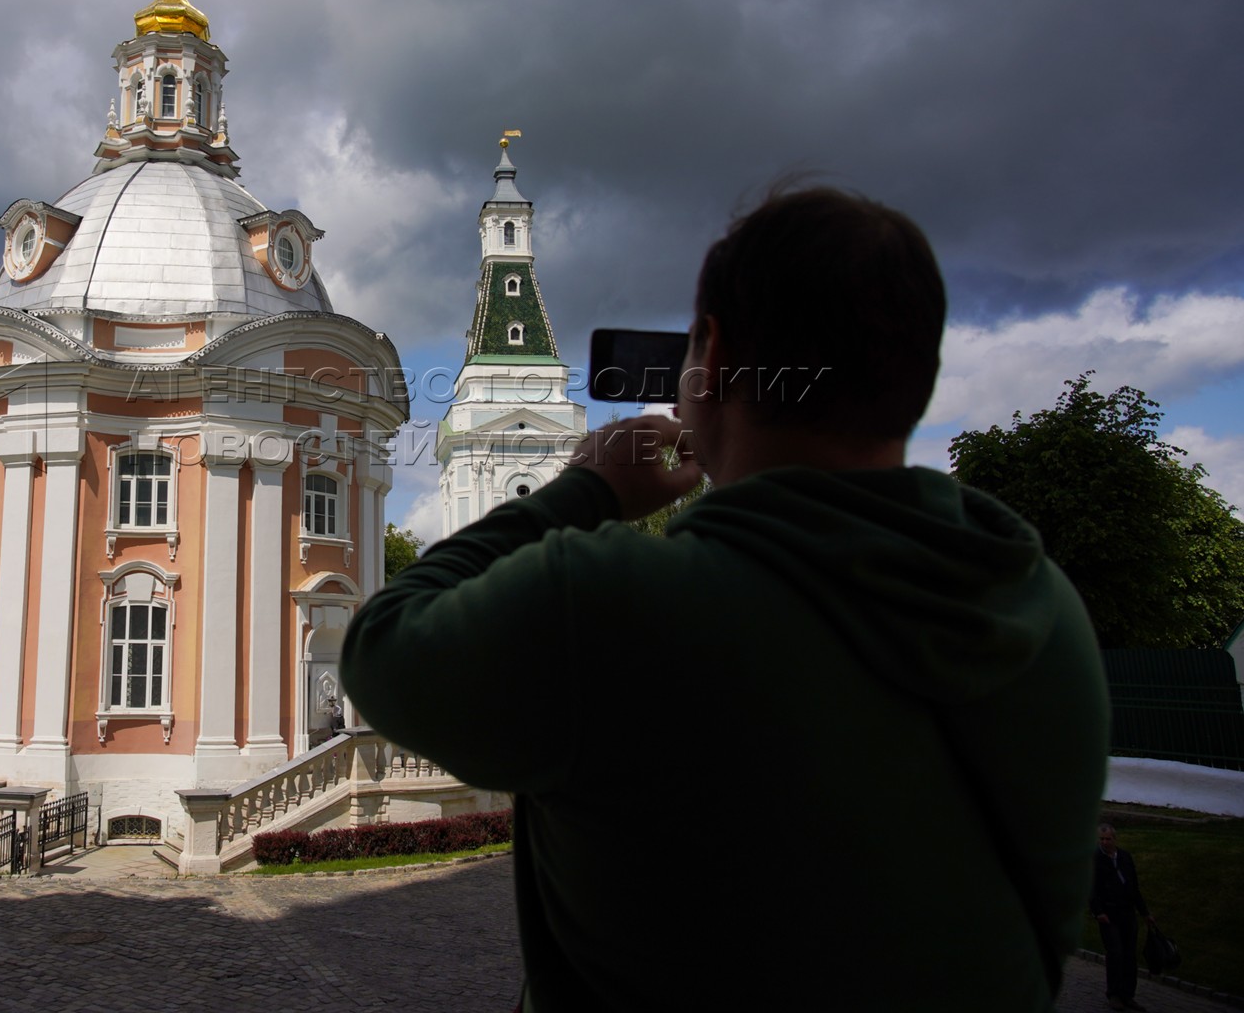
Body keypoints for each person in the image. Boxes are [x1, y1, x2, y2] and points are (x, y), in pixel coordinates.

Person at [340, 185, 1111, 1010]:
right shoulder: (1045, 608)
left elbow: (382, 646)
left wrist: (586, 489)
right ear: (917, 372)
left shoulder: (608, 603)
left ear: (708, 353)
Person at [1091, 823, 1156, 1010]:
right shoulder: (1095, 859)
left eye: (1107, 839)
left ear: (1114, 839)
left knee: (1129, 955)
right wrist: (1098, 912)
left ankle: (1128, 994)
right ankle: (1114, 994)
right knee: (1115, 953)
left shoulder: (1125, 857)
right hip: (1108, 914)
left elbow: (1134, 888)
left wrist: (1145, 913)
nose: (1104, 842)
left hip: (1127, 912)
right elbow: (1091, 888)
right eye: (1101, 839)